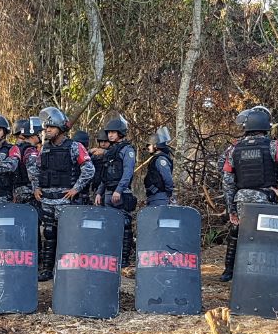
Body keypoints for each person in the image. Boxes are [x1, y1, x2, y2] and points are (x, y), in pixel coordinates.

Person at [218, 106, 278, 282]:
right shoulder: (274, 146)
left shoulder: (234, 149)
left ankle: (229, 271)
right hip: (265, 198)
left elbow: (227, 180)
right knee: (267, 236)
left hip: (241, 199)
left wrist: (231, 208)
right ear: (266, 127)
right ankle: (264, 274)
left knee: (237, 233)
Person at [28, 106, 95, 281]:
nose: (47, 131)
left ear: (60, 128)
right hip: (47, 200)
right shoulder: (44, 149)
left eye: (50, 127)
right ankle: (47, 270)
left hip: (66, 201)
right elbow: (35, 170)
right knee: (48, 233)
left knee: (69, 235)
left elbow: (89, 169)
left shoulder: (75, 147)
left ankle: (69, 270)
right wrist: (36, 188)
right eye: (46, 128)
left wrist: (76, 188)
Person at [95, 114, 137, 268]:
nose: (110, 135)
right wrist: (99, 192)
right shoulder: (110, 151)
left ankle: (124, 259)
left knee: (125, 225)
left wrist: (119, 190)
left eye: (113, 132)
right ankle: (110, 257)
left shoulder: (127, 150)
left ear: (120, 133)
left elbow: (128, 173)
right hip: (107, 193)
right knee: (108, 225)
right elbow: (104, 175)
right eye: (109, 132)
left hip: (121, 193)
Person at [143, 126, 176, 207]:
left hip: (160, 197)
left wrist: (169, 193)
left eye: (149, 145)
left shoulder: (160, 160)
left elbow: (167, 178)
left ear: (156, 145)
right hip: (155, 197)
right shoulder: (157, 159)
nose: (148, 147)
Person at [13, 116, 42, 204]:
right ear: (33, 135)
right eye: (39, 133)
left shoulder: (17, 148)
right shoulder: (30, 150)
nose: (41, 135)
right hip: (28, 191)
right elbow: (32, 173)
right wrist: (36, 188)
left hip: (18, 189)